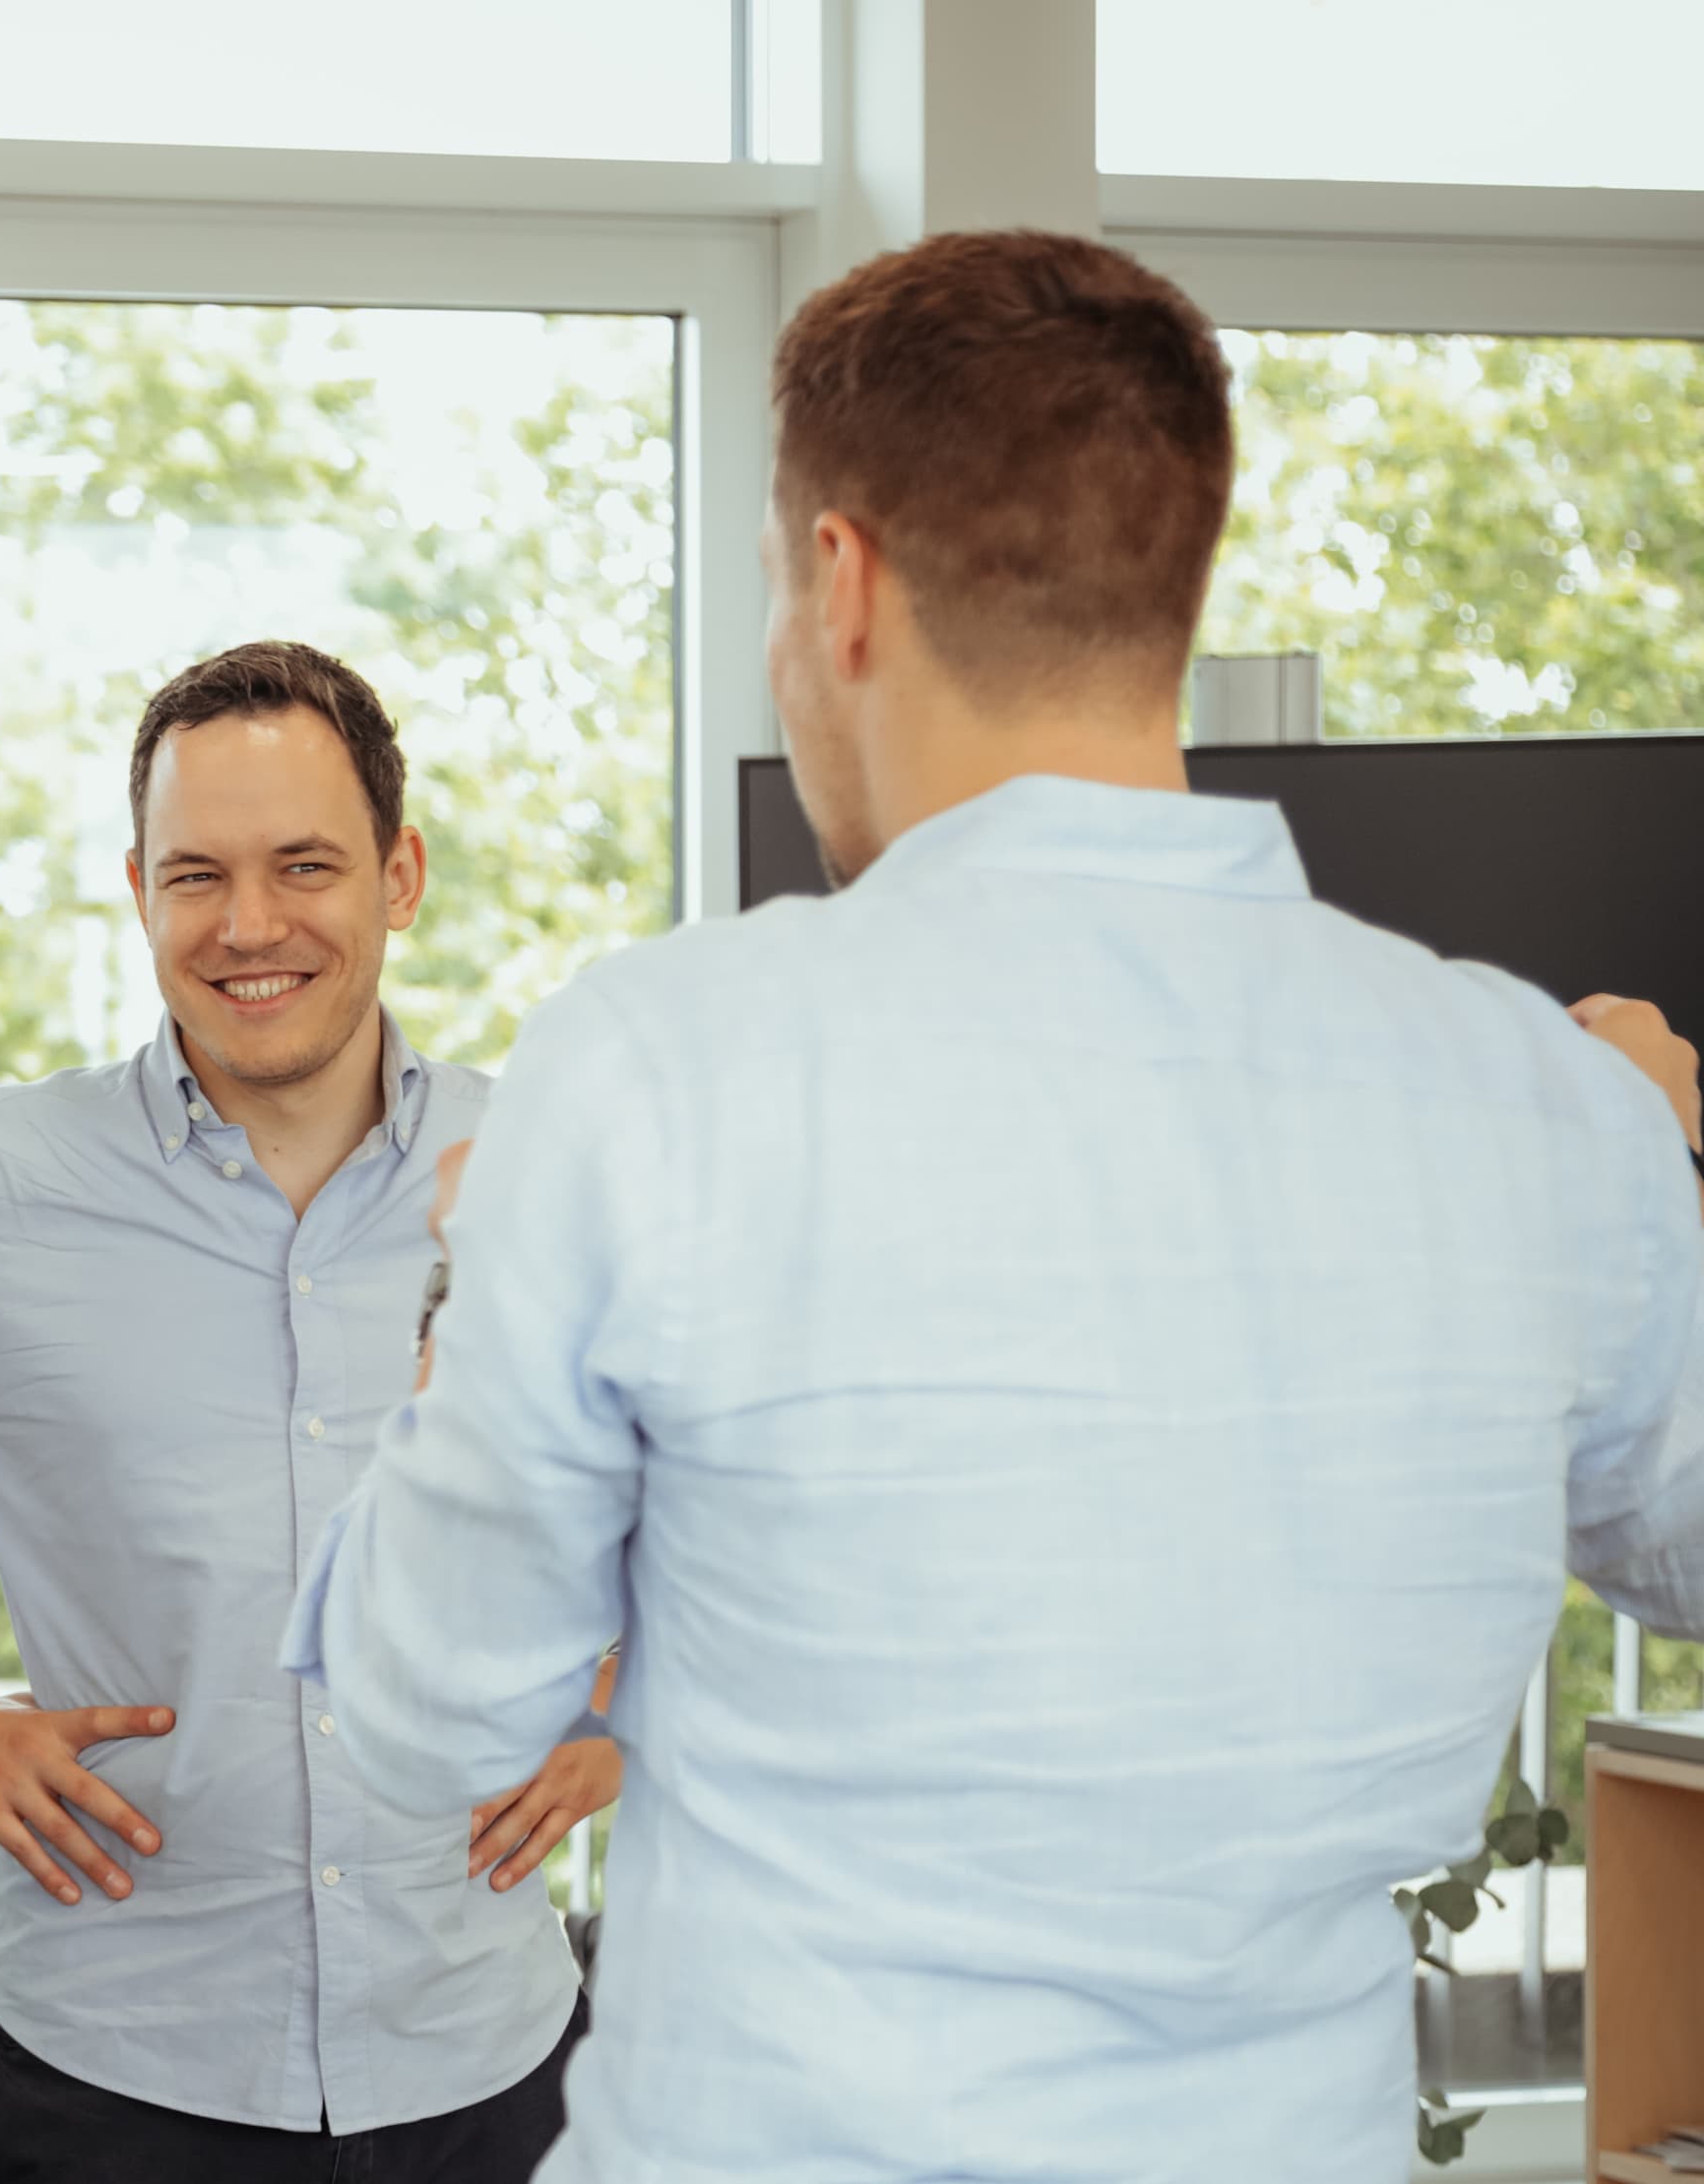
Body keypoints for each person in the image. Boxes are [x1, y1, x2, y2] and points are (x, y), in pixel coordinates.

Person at [287, 229, 1704, 2182]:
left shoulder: (658, 1069)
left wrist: (469, 1285)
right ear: (1174, 584)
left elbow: (435, 1719)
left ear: (842, 584)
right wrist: (1652, 1168)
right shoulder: (1545, 1107)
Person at [0, 641, 619, 2184]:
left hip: (487, 2067)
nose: (251, 924)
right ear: (138, 888)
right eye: (196, 874)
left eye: (306, 867)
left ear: (399, 876)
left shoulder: (544, 1165)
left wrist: (634, 1703)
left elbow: (735, 1474)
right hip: (115, 2085)